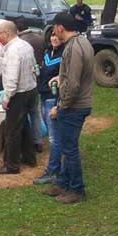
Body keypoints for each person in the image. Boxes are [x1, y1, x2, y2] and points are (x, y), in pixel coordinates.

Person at [42, 12, 94, 204]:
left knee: (69, 149)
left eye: (54, 27)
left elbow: (72, 85)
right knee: (66, 146)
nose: (53, 31)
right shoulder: (83, 42)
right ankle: (63, 183)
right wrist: (60, 77)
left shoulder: (72, 48)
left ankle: (77, 190)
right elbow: (75, 75)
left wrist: (61, 106)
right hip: (80, 102)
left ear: (60, 28)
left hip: (74, 105)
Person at [0, 21, 38, 175]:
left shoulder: (13, 50)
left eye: (0, 33)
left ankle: (11, 165)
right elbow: (34, 68)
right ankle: (29, 157)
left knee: (12, 130)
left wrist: (6, 98)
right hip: (30, 90)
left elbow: (12, 78)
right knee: (24, 126)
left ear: (7, 33)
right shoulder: (25, 45)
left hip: (18, 94)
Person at [32, 30, 65, 185]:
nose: (54, 38)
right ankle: (59, 166)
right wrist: (37, 69)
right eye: (52, 35)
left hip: (53, 99)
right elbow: (44, 71)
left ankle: (53, 171)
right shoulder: (47, 52)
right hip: (44, 96)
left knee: (53, 137)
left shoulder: (64, 54)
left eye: (57, 36)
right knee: (54, 135)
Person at [14, 16, 45, 152]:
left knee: (22, 113)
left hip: (25, 82)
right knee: (35, 112)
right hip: (39, 78)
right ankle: (38, 141)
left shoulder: (20, 42)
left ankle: (25, 142)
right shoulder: (39, 38)